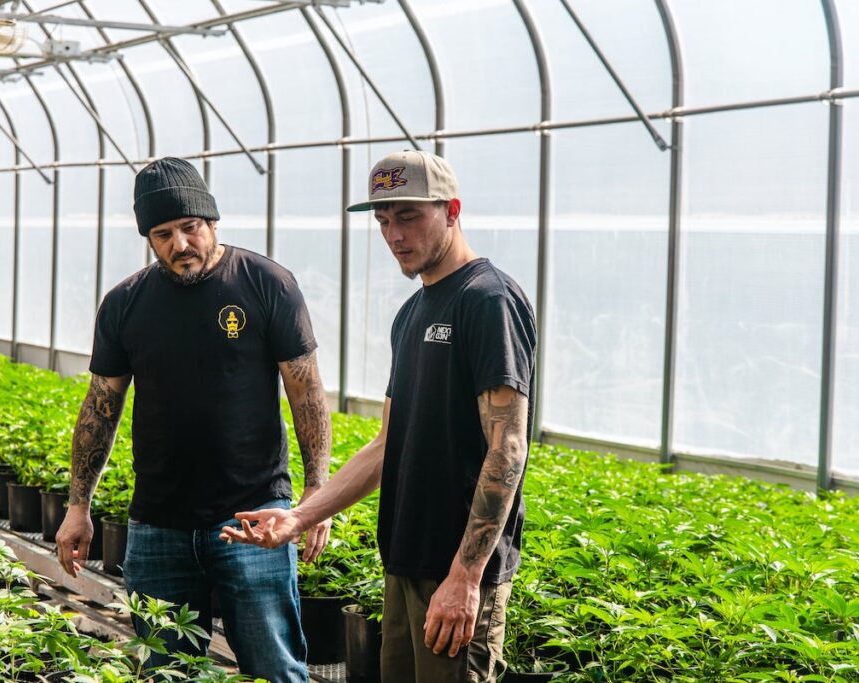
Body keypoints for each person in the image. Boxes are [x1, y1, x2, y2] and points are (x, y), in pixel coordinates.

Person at [222, 150, 537, 683]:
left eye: (409, 216)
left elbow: (507, 448)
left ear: (452, 210)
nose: (394, 233)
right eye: (384, 220)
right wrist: (303, 515)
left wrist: (466, 575)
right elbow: (386, 445)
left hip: (454, 571)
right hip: (405, 562)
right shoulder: (412, 314)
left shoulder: (488, 301)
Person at [54, 157, 332, 683]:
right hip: (159, 522)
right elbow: (99, 409)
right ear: (149, 239)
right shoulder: (124, 304)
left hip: (255, 517)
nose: (180, 243)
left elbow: (307, 393)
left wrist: (316, 497)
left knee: (274, 669)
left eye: (190, 227)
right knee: (165, 671)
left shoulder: (267, 284)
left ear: (212, 223)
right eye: (164, 234)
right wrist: (78, 506)